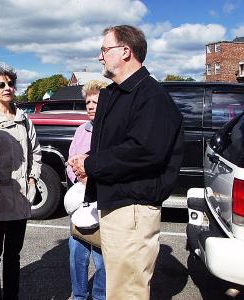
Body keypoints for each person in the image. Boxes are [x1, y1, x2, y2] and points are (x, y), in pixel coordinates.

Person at [68, 25, 184, 299]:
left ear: (126, 51)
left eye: (104, 49)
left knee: (127, 292)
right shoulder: (120, 94)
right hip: (118, 205)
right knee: (118, 289)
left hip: (133, 210)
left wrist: (92, 164)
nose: (100, 57)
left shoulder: (150, 96)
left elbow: (144, 151)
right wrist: (88, 163)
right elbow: (119, 146)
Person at [0, 62, 42, 300]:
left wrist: (33, 180)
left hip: (20, 199)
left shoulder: (25, 119)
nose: (8, 88)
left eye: (11, 84)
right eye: (1, 84)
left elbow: (36, 152)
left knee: (13, 254)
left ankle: (12, 296)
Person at [66, 80, 107, 300]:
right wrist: (77, 176)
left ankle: (100, 296)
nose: (90, 106)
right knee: (76, 254)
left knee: (102, 258)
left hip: (102, 202)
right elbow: (69, 162)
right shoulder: (81, 130)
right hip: (81, 203)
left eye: (95, 102)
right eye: (88, 102)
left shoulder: (111, 131)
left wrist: (91, 178)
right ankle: (79, 295)